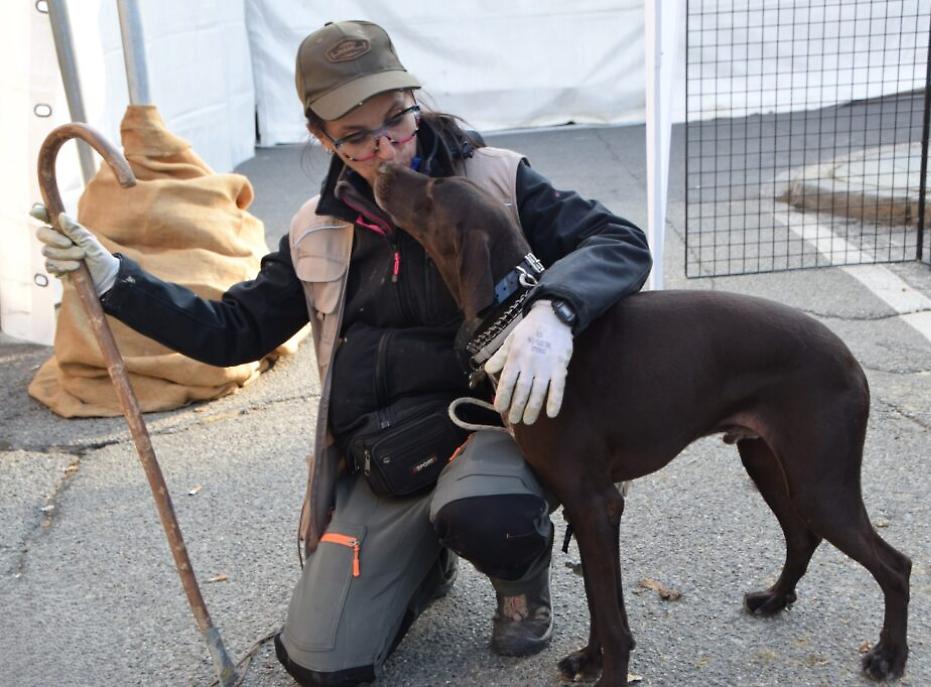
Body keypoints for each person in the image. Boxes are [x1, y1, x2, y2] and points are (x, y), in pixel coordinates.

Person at [33, 20, 651, 686]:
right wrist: (115, 279)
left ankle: (519, 579)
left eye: (397, 121)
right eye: (356, 136)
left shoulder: (495, 180)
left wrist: (556, 308)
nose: (387, 147)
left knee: (487, 513)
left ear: (414, 98)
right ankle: (422, 559)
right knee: (322, 663)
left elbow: (619, 243)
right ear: (320, 136)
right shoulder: (314, 226)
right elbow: (233, 331)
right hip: (384, 455)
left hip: (491, 430)